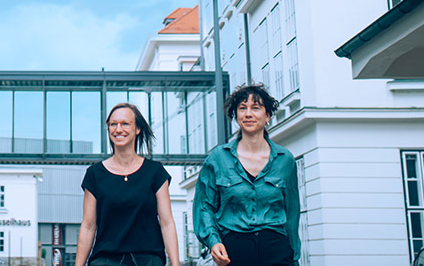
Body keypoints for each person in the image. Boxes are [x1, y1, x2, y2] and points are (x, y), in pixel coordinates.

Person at [193, 83, 300, 266]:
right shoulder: (217, 159)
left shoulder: (285, 160)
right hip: (234, 251)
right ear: (236, 116)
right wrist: (213, 241)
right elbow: (204, 207)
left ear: (267, 116)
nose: (248, 114)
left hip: (276, 249)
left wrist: (294, 256)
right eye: (242, 108)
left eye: (255, 108)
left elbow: (292, 213)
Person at [75, 102, 180, 266]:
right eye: (113, 124)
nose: (118, 129)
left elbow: (167, 222)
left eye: (125, 124)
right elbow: (88, 226)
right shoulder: (94, 174)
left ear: (137, 129)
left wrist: (175, 263)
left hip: (148, 260)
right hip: (105, 260)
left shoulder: (155, 172)